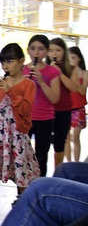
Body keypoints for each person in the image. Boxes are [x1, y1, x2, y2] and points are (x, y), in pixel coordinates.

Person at [0, 43, 39, 226]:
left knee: (22, 177)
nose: (5, 66)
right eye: (3, 62)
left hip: (17, 137)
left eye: (10, 61)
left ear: (21, 61)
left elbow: (25, 110)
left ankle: (24, 218)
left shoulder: (28, 84)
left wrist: (10, 91)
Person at [24, 35, 61, 177]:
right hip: (25, 118)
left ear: (46, 51)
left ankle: (40, 187)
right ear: (28, 51)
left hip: (45, 118)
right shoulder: (21, 69)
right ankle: (21, 193)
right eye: (33, 49)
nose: (36, 52)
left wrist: (41, 81)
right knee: (23, 156)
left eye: (41, 49)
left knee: (41, 156)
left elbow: (55, 98)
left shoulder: (52, 72)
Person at [48, 38, 77, 169]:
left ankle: (57, 171)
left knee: (60, 144)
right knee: (43, 143)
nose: (54, 54)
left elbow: (74, 88)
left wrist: (58, 73)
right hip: (46, 110)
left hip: (63, 110)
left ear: (64, 52)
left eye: (58, 50)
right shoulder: (44, 68)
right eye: (51, 50)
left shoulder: (71, 68)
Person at [67, 46, 88, 162]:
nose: (71, 60)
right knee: (67, 138)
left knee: (75, 137)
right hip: (68, 108)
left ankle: (76, 161)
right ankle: (69, 161)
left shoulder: (84, 73)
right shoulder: (66, 74)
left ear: (79, 59)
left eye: (73, 57)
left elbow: (82, 91)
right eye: (69, 58)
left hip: (78, 109)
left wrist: (74, 78)